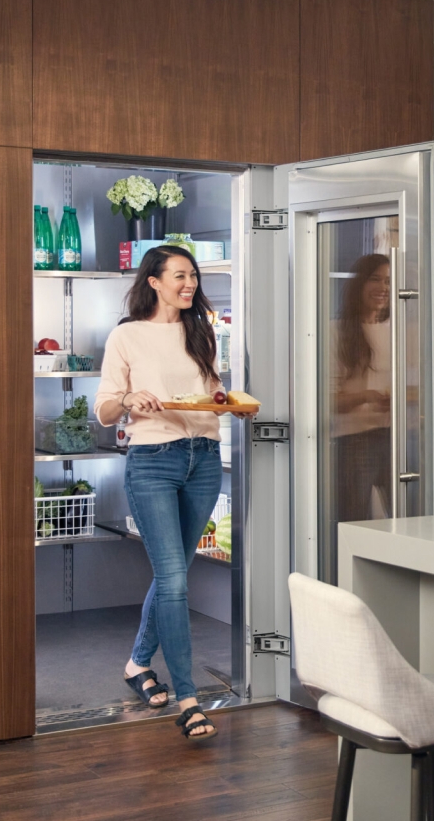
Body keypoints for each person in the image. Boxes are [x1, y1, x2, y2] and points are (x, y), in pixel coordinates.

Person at [96, 245, 249, 743]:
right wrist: (127, 399)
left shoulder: (199, 331)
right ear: (155, 281)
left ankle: (138, 664)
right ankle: (188, 699)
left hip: (202, 459)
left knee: (174, 576)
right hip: (153, 463)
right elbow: (103, 410)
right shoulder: (127, 336)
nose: (189, 284)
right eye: (180, 276)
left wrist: (227, 402)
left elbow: (212, 392)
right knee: (175, 581)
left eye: (193, 276)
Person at [329, 253, 393, 524]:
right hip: (355, 440)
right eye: (375, 279)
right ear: (359, 286)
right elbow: (327, 401)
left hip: (400, 438)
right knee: (354, 523)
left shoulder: (401, 329)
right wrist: (367, 397)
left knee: (414, 521)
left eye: (389, 281)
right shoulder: (336, 332)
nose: (383, 288)